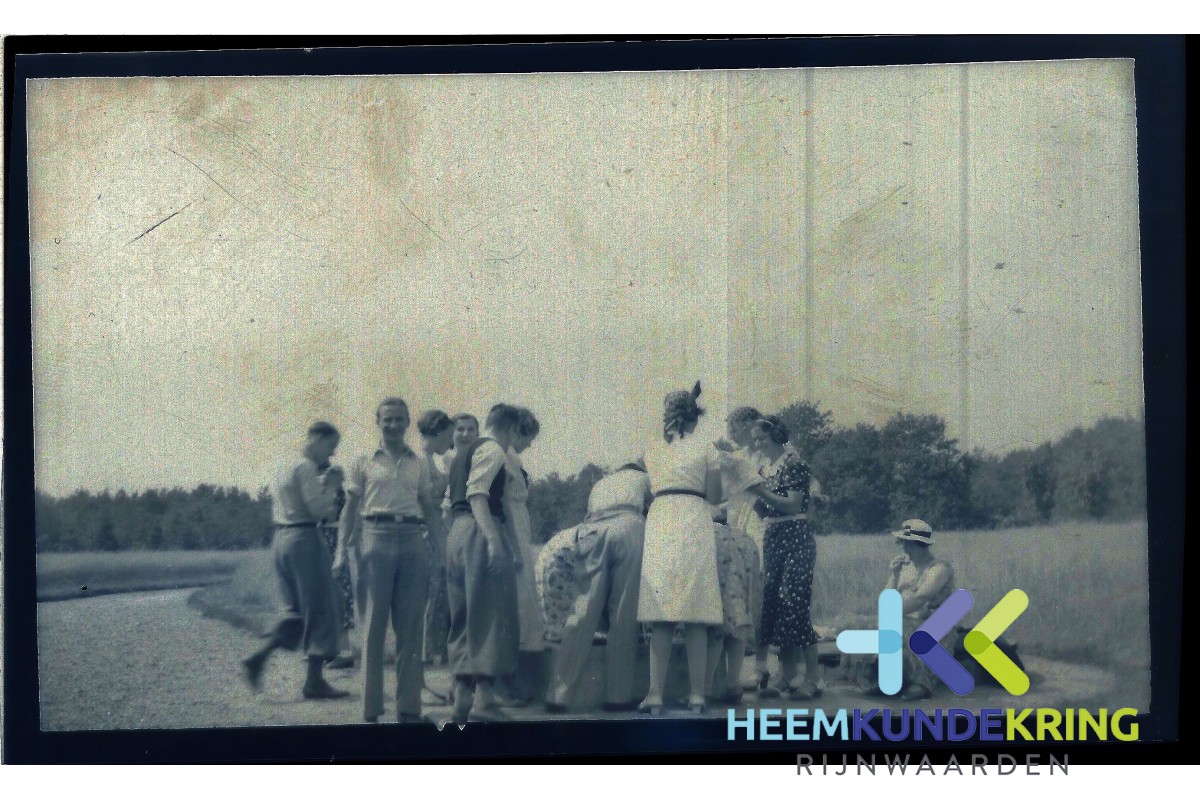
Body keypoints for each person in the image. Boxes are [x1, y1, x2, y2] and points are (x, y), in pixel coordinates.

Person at [334, 398, 443, 724]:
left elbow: (430, 509)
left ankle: (409, 709)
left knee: (411, 627)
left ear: (407, 422)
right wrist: (340, 551)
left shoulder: (418, 462)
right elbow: (349, 510)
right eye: (388, 420)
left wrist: (443, 551)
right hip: (374, 537)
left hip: (412, 539)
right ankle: (370, 711)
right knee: (373, 626)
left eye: (399, 420)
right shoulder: (363, 460)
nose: (393, 425)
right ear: (378, 422)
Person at [241, 421, 349, 700]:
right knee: (321, 608)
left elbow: (298, 500)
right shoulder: (305, 467)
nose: (332, 453)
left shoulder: (284, 464)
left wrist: (321, 485)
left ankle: (258, 657)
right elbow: (318, 512)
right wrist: (332, 487)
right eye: (331, 446)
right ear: (316, 439)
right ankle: (314, 682)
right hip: (304, 538)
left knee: (294, 612)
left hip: (282, 539)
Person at [637, 382, 724, 715]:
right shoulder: (707, 447)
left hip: (661, 517)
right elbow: (715, 496)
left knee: (662, 614)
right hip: (692, 517)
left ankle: (655, 694)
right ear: (695, 417)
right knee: (696, 614)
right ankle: (697, 695)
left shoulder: (652, 447)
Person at [544, 460, 652, 713]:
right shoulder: (644, 479)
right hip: (628, 527)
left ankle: (559, 694)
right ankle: (617, 697)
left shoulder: (602, 483)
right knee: (623, 614)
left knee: (583, 610)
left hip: (592, 527)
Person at [444, 403, 525, 724]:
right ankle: (485, 700)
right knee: (491, 615)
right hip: (481, 528)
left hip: (458, 531)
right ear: (512, 429)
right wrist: (493, 539)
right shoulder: (493, 450)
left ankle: (462, 695)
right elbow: (478, 495)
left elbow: (449, 503)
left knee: (463, 616)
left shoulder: (461, 454)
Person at [746, 415, 822, 700]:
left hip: (796, 536)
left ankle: (814, 679)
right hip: (774, 536)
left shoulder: (794, 464)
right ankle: (787, 674)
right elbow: (765, 510)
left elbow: (791, 505)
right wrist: (753, 498)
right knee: (776, 606)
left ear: (776, 435)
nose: (758, 444)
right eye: (755, 439)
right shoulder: (765, 469)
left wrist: (759, 490)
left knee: (795, 604)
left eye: (762, 438)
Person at [499, 406, 544, 704]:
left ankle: (518, 680)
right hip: (512, 530)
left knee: (524, 607)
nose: (529, 444)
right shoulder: (503, 457)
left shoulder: (513, 458)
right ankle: (507, 682)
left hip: (520, 528)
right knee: (516, 606)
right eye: (529, 438)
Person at [886, 518, 956, 701]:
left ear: (919, 545)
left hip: (936, 624)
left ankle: (923, 683)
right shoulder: (906, 568)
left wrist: (889, 614)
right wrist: (893, 577)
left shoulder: (938, 569)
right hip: (907, 619)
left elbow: (920, 598)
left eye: (906, 543)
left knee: (907, 631)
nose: (903, 548)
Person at [705, 505, 763, 705]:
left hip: (712, 542)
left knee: (714, 628)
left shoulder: (706, 533)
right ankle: (733, 683)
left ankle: (705, 687)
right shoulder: (743, 537)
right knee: (737, 621)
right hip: (742, 545)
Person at [417, 410, 456, 670]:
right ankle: (422, 651)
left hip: (433, 530)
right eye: (448, 436)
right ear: (438, 432)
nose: (451, 442)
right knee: (426, 593)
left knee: (435, 592)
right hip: (423, 530)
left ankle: (430, 649)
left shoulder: (432, 461)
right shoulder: (420, 461)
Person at [316, 470, 356, 669]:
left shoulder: (339, 495)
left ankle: (343, 650)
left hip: (334, 541)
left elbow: (330, 514)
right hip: (323, 541)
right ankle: (327, 648)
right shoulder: (325, 491)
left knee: (340, 595)